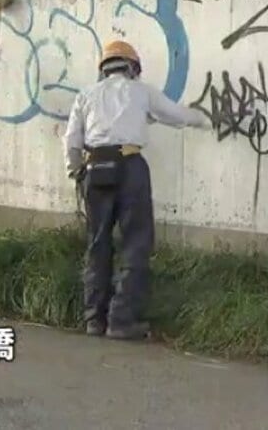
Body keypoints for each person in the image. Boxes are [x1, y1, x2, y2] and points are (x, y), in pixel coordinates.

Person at [64, 40, 208, 339]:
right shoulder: (141, 91)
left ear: (104, 68)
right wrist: (206, 120)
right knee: (136, 242)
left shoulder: (86, 95)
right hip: (130, 165)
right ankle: (122, 320)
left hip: (95, 167)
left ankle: (94, 319)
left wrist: (76, 169)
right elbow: (177, 115)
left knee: (98, 242)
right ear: (132, 67)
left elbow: (72, 141)